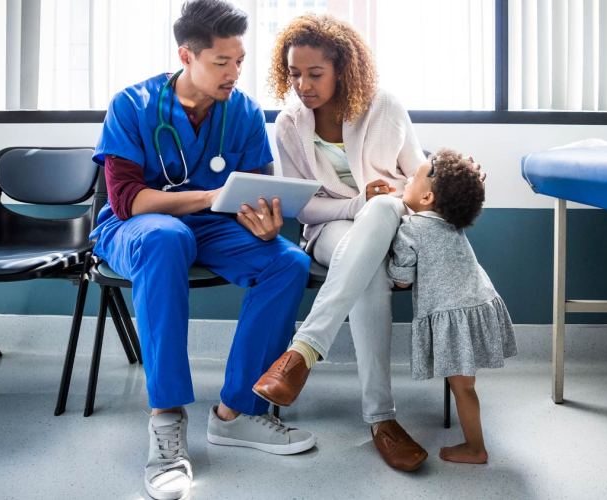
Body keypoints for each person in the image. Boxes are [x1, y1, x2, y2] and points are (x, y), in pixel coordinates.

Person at [90, 2, 315, 498]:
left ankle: (237, 413)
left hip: (213, 228)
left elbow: (255, 190)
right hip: (137, 229)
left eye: (239, 61)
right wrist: (210, 198)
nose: (235, 73)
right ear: (186, 56)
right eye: (222, 62)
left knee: (287, 261)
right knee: (168, 237)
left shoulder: (244, 112)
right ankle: (166, 420)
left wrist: (263, 221)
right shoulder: (133, 104)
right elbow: (129, 200)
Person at [251, 14, 429, 471]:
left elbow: (417, 177)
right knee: (367, 270)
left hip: (392, 225)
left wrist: (397, 197)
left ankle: (301, 351)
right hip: (329, 228)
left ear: (342, 69)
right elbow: (304, 207)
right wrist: (356, 206)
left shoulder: (384, 106)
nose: (302, 85)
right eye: (293, 73)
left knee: (385, 208)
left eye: (315, 74)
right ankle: (382, 421)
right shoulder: (289, 124)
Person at [388, 148, 518, 464]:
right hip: (478, 303)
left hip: (454, 312)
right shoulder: (451, 220)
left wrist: (388, 261)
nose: (406, 179)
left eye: (413, 178)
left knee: (463, 388)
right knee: (465, 385)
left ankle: (476, 448)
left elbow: (402, 279)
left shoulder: (411, 228)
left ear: (428, 197)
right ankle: (475, 444)